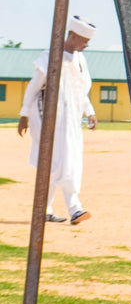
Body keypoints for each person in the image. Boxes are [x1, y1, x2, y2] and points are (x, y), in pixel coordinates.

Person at [17, 14, 99, 225]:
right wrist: (24, 115)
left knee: (59, 163)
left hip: (71, 122)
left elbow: (81, 91)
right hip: (48, 120)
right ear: (72, 36)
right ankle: (75, 208)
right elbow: (33, 87)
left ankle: (45, 209)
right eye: (84, 40)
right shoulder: (50, 57)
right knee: (59, 162)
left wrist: (89, 112)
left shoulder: (81, 60)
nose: (86, 45)